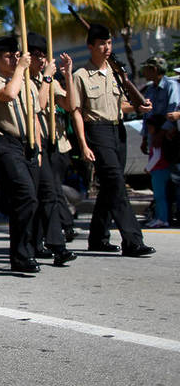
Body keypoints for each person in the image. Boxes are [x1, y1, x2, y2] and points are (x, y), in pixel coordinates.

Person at [70, 23, 155, 256]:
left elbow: (120, 106)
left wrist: (140, 105)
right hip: (97, 131)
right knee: (117, 183)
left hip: (118, 131)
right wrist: (83, 144)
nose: (106, 48)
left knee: (109, 187)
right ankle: (133, 240)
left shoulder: (117, 73)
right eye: (101, 44)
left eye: (108, 43)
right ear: (90, 47)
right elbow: (76, 111)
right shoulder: (81, 75)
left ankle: (97, 238)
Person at [0, 36, 43, 273]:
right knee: (25, 195)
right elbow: (8, 95)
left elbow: (35, 116)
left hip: (28, 144)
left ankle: (27, 250)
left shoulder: (28, 83)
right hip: (6, 142)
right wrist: (20, 69)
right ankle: (20, 254)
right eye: (8, 55)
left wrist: (38, 147)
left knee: (31, 199)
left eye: (16, 55)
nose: (13, 59)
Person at [27, 32, 78, 265]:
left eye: (44, 55)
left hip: (53, 143)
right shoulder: (24, 80)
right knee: (47, 195)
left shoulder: (50, 80)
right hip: (33, 143)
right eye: (36, 55)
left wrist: (66, 75)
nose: (42, 60)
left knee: (47, 194)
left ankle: (37, 243)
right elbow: (38, 105)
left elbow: (70, 105)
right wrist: (47, 80)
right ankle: (58, 246)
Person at [139, 56, 179, 229]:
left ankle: (166, 216)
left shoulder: (171, 86)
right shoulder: (150, 90)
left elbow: (173, 110)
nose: (144, 72)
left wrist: (160, 134)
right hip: (154, 138)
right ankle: (163, 215)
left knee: (174, 179)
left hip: (168, 139)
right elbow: (146, 115)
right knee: (162, 182)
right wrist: (145, 138)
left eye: (147, 68)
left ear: (154, 69)